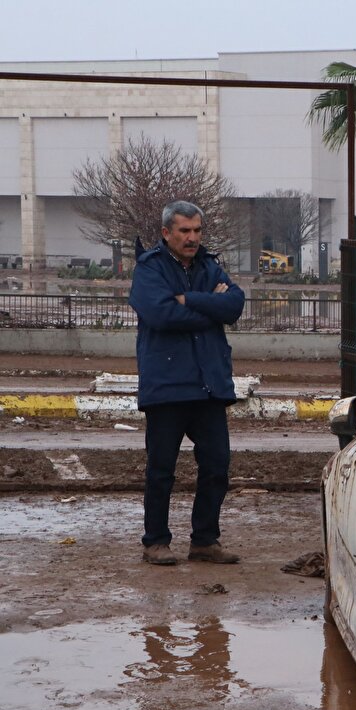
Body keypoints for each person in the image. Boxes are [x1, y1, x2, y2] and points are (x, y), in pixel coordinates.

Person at [128, 201, 245, 566]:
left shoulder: (209, 265)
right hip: (167, 387)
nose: (192, 238)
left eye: (197, 231)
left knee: (217, 466)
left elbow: (236, 305)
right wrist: (211, 308)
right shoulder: (150, 269)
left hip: (209, 385)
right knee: (161, 469)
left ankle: (205, 541)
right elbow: (161, 314)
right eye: (184, 231)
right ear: (167, 233)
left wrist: (191, 300)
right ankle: (156, 542)